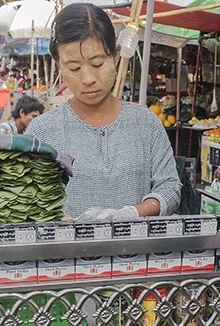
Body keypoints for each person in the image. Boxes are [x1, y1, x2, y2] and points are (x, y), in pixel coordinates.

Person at [26, 3, 180, 220]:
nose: (88, 79)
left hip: (136, 242)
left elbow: (170, 187)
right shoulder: (42, 132)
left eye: (98, 64)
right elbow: (27, 198)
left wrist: (129, 213)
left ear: (115, 56)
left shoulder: (146, 123)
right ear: (58, 64)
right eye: (74, 68)